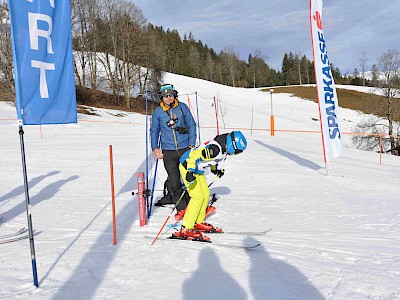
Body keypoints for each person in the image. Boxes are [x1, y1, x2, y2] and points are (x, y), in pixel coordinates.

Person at [172, 130, 247, 242]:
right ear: (232, 145)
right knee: (197, 196)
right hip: (188, 166)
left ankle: (198, 222)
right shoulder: (215, 150)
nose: (235, 154)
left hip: (197, 169)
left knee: (205, 194)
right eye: (236, 152)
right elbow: (194, 156)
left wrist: (215, 170)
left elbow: (211, 160)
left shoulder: (221, 149)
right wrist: (190, 172)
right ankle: (186, 228)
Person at [150, 84, 197, 212]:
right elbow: (154, 131)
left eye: (170, 95)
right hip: (168, 151)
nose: (168, 98)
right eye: (165, 96)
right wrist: (155, 148)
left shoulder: (182, 108)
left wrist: (191, 142)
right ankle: (182, 208)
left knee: (190, 177)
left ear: (174, 95)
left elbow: (192, 124)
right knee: (174, 180)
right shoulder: (158, 112)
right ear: (162, 97)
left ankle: (195, 202)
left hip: (185, 148)